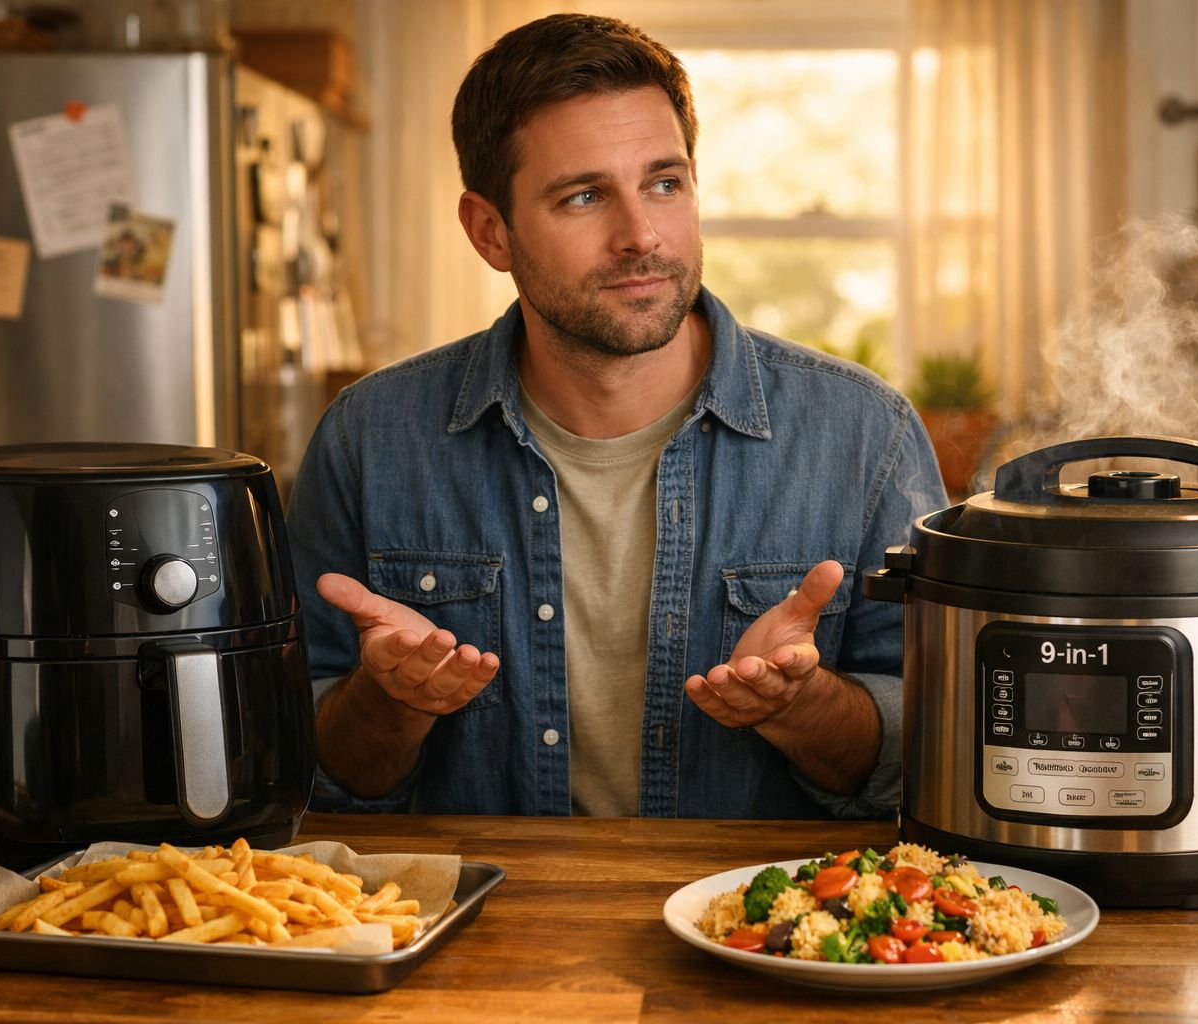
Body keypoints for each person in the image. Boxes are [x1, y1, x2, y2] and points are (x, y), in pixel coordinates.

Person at [286, 13, 946, 819]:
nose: (641, 236)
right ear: (490, 231)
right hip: (479, 936)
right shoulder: (367, 440)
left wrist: (801, 706)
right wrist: (390, 701)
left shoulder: (865, 435)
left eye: (665, 184)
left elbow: (934, 756)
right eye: (584, 196)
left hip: (765, 933)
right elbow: (305, 772)